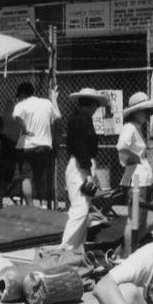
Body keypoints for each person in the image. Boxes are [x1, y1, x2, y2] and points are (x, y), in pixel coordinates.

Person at [60, 87, 107, 254]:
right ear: (91, 105)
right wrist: (88, 173)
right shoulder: (81, 120)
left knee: (83, 208)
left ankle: (77, 248)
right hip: (80, 166)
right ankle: (65, 248)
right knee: (80, 208)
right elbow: (81, 147)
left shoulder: (80, 118)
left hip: (81, 165)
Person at [116, 91, 153, 254]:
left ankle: (124, 250)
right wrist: (133, 157)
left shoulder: (137, 128)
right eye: (144, 110)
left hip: (144, 181)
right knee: (134, 221)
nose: (147, 114)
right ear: (135, 112)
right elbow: (122, 147)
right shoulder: (129, 127)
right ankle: (127, 256)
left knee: (149, 224)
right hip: (136, 181)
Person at [12, 81, 61, 207]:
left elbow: (17, 117)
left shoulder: (21, 104)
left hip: (26, 147)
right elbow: (58, 117)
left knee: (26, 177)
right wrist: (54, 99)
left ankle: (30, 206)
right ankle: (43, 204)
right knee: (40, 176)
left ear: (22, 94)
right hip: (44, 146)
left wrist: (24, 129)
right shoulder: (46, 103)